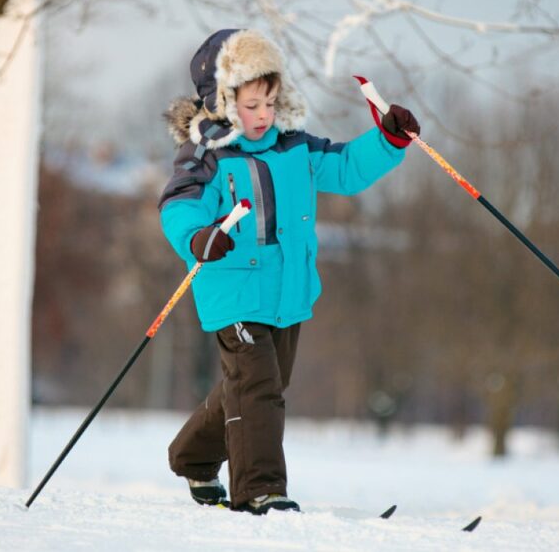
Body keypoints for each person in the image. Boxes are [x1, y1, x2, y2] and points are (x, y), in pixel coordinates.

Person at [158, 28, 420, 515]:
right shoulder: (207, 154)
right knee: (257, 389)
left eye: (271, 103)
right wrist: (198, 236)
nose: (263, 116)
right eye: (252, 104)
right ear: (223, 99)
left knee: (261, 384)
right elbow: (179, 204)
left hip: (289, 293)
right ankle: (260, 490)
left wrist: (387, 140)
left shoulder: (294, 147)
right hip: (233, 287)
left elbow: (344, 169)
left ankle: (193, 456)